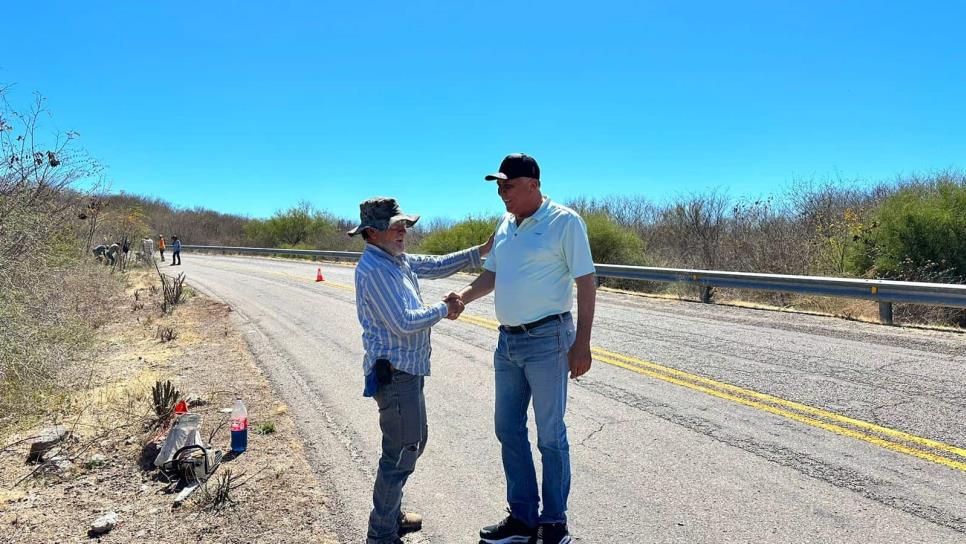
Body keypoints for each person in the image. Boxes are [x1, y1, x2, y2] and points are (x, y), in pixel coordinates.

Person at [449, 153, 597, 544]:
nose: (501, 193)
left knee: (550, 434)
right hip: (508, 341)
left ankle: (554, 521)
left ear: (532, 183)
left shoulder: (564, 222)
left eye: (508, 185)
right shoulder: (505, 224)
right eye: (498, 186)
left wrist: (582, 343)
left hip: (549, 339)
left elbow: (586, 282)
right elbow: (493, 274)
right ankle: (522, 517)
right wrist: (463, 296)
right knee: (508, 428)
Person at [349, 196, 492, 544]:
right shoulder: (374, 270)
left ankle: (390, 516)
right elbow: (403, 322)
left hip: (407, 372)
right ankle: (381, 533)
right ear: (372, 232)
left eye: (404, 226)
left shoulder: (396, 260)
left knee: (411, 444)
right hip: (395, 374)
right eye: (395, 227)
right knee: (400, 454)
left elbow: (437, 264)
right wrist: (446, 308)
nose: (403, 232)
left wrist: (481, 250)